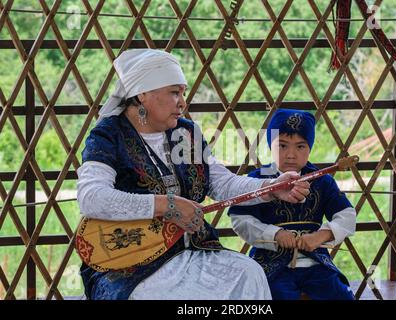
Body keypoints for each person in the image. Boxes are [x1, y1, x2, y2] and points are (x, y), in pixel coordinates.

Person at [76, 49, 310, 300]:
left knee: (249, 273)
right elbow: (91, 197)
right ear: (142, 94)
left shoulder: (185, 134)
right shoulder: (108, 136)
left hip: (192, 249)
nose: (182, 103)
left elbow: (222, 183)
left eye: (183, 93)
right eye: (174, 92)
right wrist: (167, 205)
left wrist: (271, 187)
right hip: (132, 264)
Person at [228, 109, 356, 300]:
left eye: (300, 147)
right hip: (271, 265)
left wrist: (321, 236)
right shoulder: (257, 180)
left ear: (310, 148)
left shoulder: (321, 181)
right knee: (273, 295)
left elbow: (346, 214)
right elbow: (240, 218)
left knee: (340, 295)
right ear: (270, 146)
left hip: (316, 263)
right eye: (282, 145)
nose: (290, 155)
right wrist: (275, 234)